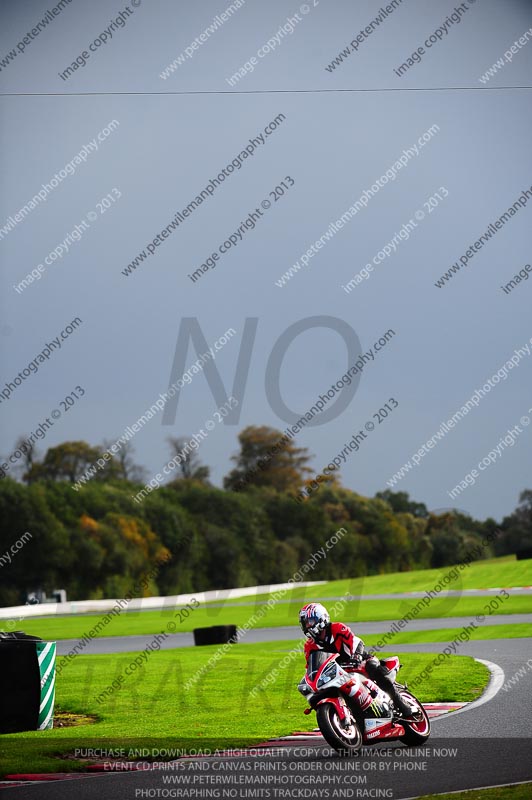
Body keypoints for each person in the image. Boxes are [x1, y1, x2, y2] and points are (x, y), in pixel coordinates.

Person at [299, 602, 415, 718]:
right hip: (339, 673)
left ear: (321, 618)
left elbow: (357, 642)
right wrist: (310, 681)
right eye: (305, 624)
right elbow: (312, 666)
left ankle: (402, 704)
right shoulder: (309, 646)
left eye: (310, 622)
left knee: (376, 670)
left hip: (360, 661)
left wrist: (356, 656)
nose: (307, 626)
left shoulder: (337, 628)